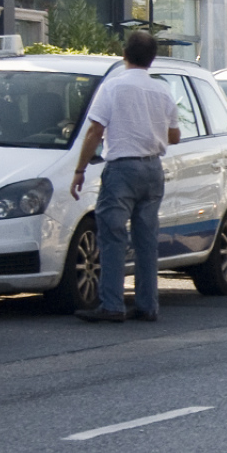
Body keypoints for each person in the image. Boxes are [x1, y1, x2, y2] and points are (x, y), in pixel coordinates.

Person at [71, 31, 179, 323]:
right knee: (146, 239)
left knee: (112, 236)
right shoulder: (163, 91)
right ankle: (147, 306)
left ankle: (112, 305)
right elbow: (175, 135)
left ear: (124, 54)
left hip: (121, 169)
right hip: (153, 169)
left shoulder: (113, 87)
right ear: (152, 59)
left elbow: (95, 130)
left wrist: (80, 169)